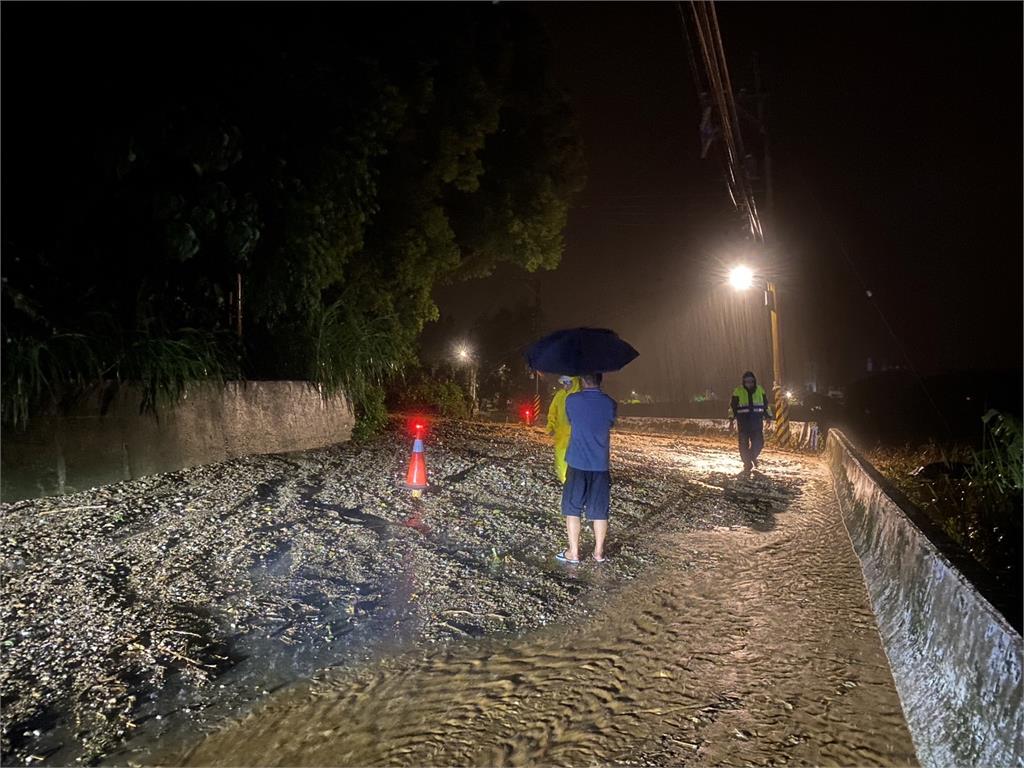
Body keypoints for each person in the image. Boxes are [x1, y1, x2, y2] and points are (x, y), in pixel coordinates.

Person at [556, 372, 616, 564]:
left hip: (577, 462)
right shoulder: (610, 403)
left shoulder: (572, 400)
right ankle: (598, 552)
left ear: (582, 381)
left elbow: (570, 420)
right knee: (599, 509)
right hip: (600, 465)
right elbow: (610, 422)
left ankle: (573, 553)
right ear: (601, 380)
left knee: (572, 508)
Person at [730, 370, 774, 475]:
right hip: (743, 423)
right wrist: (731, 420)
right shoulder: (738, 391)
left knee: (759, 443)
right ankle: (747, 463)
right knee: (743, 445)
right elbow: (732, 407)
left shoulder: (760, 390)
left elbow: (765, 405)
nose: (749, 383)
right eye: (747, 381)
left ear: (754, 381)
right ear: (743, 382)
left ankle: (751, 457)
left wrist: (768, 416)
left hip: (756, 423)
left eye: (751, 381)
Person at [546, 375, 581, 483]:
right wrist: (550, 427)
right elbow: (552, 412)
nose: (565, 385)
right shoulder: (560, 395)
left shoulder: (580, 396)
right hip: (561, 435)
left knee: (575, 462)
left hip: (576, 436)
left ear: (574, 382)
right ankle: (565, 482)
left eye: (568, 383)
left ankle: (573, 483)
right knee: (561, 461)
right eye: (564, 383)